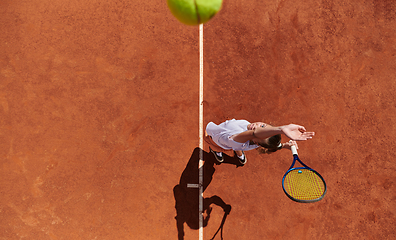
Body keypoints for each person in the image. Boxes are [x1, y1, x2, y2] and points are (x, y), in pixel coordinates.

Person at [205, 119, 315, 164]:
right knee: (237, 149)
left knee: (217, 146)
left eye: (260, 131)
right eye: (263, 126)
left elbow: (254, 133)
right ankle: (239, 155)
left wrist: (282, 129)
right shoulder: (257, 143)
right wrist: (284, 146)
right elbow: (270, 144)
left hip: (220, 139)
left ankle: (217, 152)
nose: (256, 126)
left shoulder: (239, 139)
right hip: (236, 145)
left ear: (257, 141)